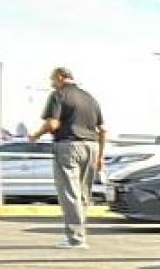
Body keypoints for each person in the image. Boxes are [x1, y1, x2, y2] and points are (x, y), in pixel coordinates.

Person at [32, 67, 105, 248]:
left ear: (60, 77)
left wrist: (36, 135)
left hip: (68, 146)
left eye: (52, 80)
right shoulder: (90, 98)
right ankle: (78, 234)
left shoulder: (58, 95)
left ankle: (75, 238)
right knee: (83, 193)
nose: (51, 84)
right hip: (92, 147)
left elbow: (53, 124)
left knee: (69, 193)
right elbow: (103, 129)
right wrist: (101, 156)